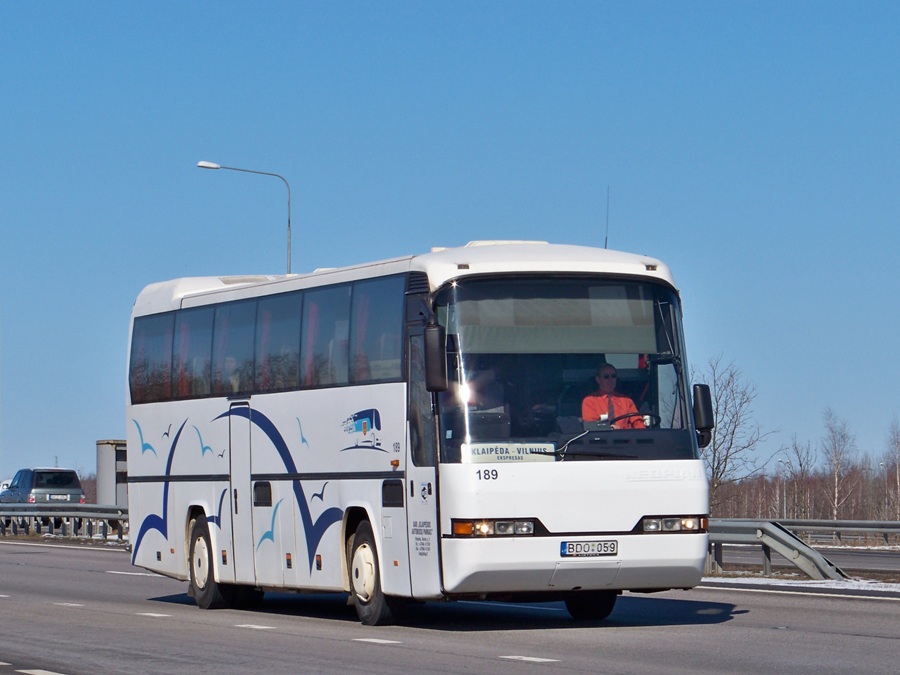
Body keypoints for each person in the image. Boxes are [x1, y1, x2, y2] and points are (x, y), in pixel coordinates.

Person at [581, 364, 645, 429]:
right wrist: (609, 428)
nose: (610, 380)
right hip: (602, 438)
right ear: (598, 379)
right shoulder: (589, 401)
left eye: (613, 376)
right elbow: (591, 426)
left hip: (625, 437)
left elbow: (638, 422)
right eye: (606, 377)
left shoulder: (626, 400)